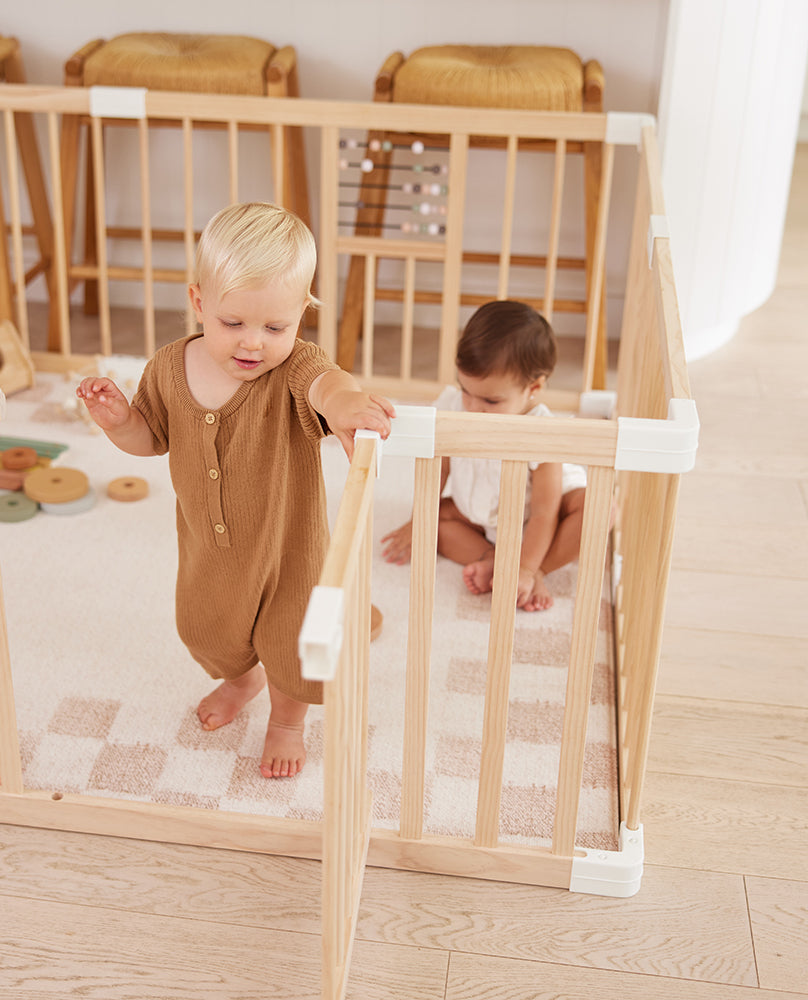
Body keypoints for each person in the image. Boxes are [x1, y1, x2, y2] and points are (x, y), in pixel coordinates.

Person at [77, 202, 395, 778]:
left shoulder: (296, 368)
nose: (254, 344)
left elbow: (327, 385)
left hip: (289, 549)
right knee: (203, 628)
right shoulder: (169, 368)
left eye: (275, 327)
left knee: (295, 644)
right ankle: (242, 677)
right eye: (234, 324)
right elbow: (151, 439)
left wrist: (348, 404)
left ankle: (286, 720)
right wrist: (119, 419)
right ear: (200, 302)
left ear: (302, 313)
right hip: (210, 548)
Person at [380, 299, 586, 612]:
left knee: (598, 510)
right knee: (433, 523)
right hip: (480, 511)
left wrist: (527, 568)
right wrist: (417, 520)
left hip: (535, 521)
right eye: (465, 390)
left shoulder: (543, 432)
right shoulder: (452, 407)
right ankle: (493, 561)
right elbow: (440, 470)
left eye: (491, 400)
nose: (473, 408)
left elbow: (544, 513)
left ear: (534, 387)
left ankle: (533, 572)